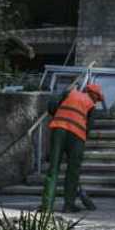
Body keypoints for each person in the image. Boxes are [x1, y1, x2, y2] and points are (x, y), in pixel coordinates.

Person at [41, 82, 104, 213]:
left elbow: (52, 105)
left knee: (53, 168)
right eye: (97, 98)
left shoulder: (70, 93)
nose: (97, 101)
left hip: (59, 130)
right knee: (73, 171)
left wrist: (60, 116)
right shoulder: (91, 106)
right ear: (94, 95)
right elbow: (89, 126)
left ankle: (47, 206)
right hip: (77, 136)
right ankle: (68, 205)